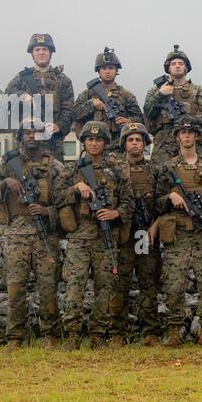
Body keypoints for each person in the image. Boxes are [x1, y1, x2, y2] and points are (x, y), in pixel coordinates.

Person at [0, 120, 65, 348]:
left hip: (45, 235)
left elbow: (67, 201)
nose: (32, 136)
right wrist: (4, 183)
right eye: (27, 132)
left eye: (36, 132)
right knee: (15, 287)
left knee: (48, 287)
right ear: (20, 136)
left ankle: (51, 335)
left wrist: (48, 211)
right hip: (16, 234)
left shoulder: (55, 166)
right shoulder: (6, 164)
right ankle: (15, 337)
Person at [54, 122, 132, 349]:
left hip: (106, 235)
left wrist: (116, 212)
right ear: (84, 142)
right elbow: (57, 198)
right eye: (89, 139)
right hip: (80, 235)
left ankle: (98, 334)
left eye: (98, 140)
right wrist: (76, 188)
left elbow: (129, 201)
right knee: (74, 286)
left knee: (105, 287)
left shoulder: (117, 169)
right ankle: (72, 335)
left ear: (105, 143)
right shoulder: (72, 170)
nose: (94, 143)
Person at [153, 115, 202, 346]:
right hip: (178, 235)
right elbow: (156, 201)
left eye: (190, 132)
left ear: (196, 136)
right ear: (177, 137)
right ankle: (175, 330)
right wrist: (170, 196)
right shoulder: (168, 167)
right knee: (174, 284)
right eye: (182, 133)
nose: (186, 136)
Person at [108, 122, 163, 347]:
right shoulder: (114, 170)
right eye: (130, 139)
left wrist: (155, 226)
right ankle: (117, 334)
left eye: (138, 139)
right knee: (119, 284)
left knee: (148, 282)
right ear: (124, 144)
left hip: (144, 234)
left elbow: (163, 203)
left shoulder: (155, 170)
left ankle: (150, 332)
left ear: (144, 144)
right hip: (122, 234)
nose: (134, 143)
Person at [5, 33, 74, 159]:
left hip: (52, 142)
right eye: (37, 50)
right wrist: (22, 96)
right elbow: (5, 99)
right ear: (32, 54)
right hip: (27, 141)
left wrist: (59, 125)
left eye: (44, 49)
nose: (41, 53)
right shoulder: (22, 78)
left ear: (51, 52)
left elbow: (68, 109)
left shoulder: (63, 80)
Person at [143, 44, 202, 164]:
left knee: (191, 177)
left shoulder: (198, 90)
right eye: (173, 64)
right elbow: (147, 112)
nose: (177, 66)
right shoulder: (155, 91)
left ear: (186, 68)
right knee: (161, 177)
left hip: (189, 140)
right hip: (163, 143)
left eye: (181, 63)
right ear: (168, 69)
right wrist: (160, 94)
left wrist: (187, 121)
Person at [72, 47, 144, 152]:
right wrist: (90, 104)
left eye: (110, 68)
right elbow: (74, 114)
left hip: (117, 148)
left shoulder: (126, 95)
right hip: (92, 146)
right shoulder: (87, 94)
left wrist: (129, 121)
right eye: (104, 68)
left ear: (116, 71)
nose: (107, 71)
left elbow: (140, 119)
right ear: (99, 71)